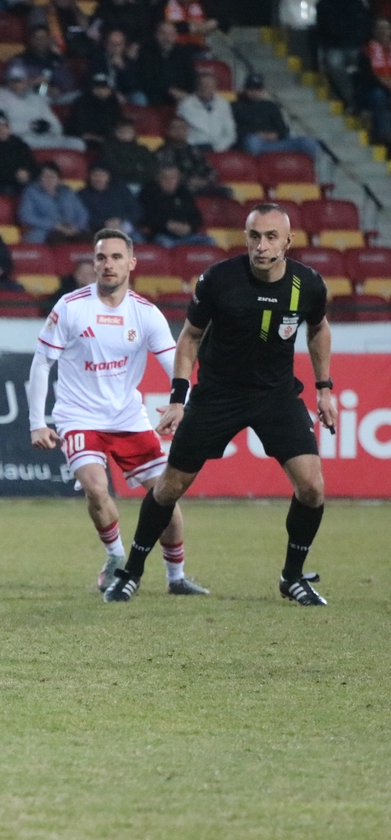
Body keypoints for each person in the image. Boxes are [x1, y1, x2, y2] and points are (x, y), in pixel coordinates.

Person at [102, 204, 336, 606]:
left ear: (288, 241)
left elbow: (318, 329)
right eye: (254, 236)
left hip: (276, 396)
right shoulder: (219, 279)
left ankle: (292, 577)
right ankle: (131, 573)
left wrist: (324, 388)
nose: (261, 246)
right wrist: (178, 398)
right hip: (217, 396)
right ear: (245, 237)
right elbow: (190, 337)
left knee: (312, 488)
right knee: (169, 487)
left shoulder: (308, 284)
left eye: (271, 237)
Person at [28, 228, 209, 595]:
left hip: (128, 418)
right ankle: (116, 558)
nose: (108, 264)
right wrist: (37, 422)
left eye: (116, 257)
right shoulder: (70, 307)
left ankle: (176, 578)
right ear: (93, 264)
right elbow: (42, 363)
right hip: (78, 416)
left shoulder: (146, 314)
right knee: (96, 488)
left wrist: (183, 402)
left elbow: (175, 363)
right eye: (101, 257)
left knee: (165, 497)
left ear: (131, 263)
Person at [0, 64, 85, 150]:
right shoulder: (0, 97)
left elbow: (57, 128)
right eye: (15, 81)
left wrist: (47, 127)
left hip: (45, 139)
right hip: (20, 141)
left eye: (22, 80)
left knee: (77, 143)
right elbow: (2, 131)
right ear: (7, 82)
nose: (19, 84)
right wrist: (31, 127)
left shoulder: (37, 98)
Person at [233, 73, 322, 160]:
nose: (254, 92)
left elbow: (283, 129)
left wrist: (275, 135)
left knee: (309, 142)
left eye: (257, 89)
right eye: (251, 88)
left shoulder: (270, 105)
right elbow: (234, 131)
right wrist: (259, 135)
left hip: (275, 143)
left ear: (262, 90)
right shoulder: (236, 106)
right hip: (253, 142)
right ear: (245, 89)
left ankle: (270, 152)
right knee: (252, 142)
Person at [138, 163, 213, 248]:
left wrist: (189, 227)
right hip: (162, 236)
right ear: (158, 178)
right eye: (165, 177)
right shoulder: (148, 192)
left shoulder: (184, 193)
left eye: (173, 177)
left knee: (209, 241)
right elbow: (146, 217)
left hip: (186, 235)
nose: (169, 181)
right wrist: (167, 225)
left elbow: (197, 217)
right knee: (164, 244)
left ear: (178, 179)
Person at [156, 113, 229, 197]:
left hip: (202, 186)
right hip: (181, 190)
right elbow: (166, 177)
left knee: (227, 191)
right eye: (175, 128)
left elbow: (211, 171)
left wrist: (202, 181)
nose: (179, 131)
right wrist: (189, 181)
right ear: (168, 131)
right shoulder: (162, 152)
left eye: (182, 128)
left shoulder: (195, 151)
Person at [19, 161, 91, 244]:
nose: (49, 179)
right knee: (57, 239)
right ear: (39, 178)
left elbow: (82, 213)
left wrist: (76, 227)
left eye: (53, 176)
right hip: (46, 230)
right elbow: (26, 216)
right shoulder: (31, 192)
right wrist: (54, 225)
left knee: (90, 239)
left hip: (72, 229)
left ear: (58, 179)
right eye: (45, 176)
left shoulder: (68, 192)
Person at [9, 25, 79, 104]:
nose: (41, 41)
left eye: (44, 37)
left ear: (49, 40)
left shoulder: (57, 60)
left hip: (59, 97)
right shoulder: (20, 61)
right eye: (37, 38)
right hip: (31, 98)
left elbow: (69, 83)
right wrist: (44, 89)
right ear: (31, 40)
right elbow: (15, 86)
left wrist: (58, 89)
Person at [137, 19, 198, 107]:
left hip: (181, 96)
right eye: (163, 33)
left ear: (176, 36)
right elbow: (147, 80)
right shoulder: (146, 53)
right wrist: (169, 90)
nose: (167, 38)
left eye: (171, 34)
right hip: (155, 96)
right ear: (156, 35)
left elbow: (190, 77)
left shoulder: (182, 53)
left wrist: (185, 92)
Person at [177, 69, 235, 152]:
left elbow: (230, 133)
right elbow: (180, 132)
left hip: (219, 148)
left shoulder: (223, 103)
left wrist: (218, 148)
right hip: (195, 148)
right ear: (197, 87)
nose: (206, 89)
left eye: (210, 86)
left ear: (215, 87)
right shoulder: (185, 105)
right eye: (203, 86)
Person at [79, 161, 139, 237]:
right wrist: (104, 223)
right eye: (95, 175)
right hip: (98, 232)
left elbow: (136, 210)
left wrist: (121, 220)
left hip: (125, 228)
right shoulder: (83, 195)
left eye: (102, 175)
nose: (98, 178)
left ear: (109, 176)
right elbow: (83, 217)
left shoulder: (120, 189)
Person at [356, 17, 391, 147]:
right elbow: (367, 78)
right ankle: (384, 137)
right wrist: (386, 84)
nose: (383, 31)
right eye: (380, 29)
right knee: (378, 96)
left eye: (386, 28)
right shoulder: (366, 51)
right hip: (371, 90)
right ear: (374, 31)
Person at [66, 72, 122, 149]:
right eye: (102, 88)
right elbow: (83, 131)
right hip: (86, 140)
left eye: (107, 88)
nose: (106, 91)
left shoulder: (113, 102)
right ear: (93, 88)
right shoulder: (82, 102)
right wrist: (99, 138)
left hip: (108, 139)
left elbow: (118, 123)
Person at [91, 28, 146, 106]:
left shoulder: (130, 61)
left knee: (139, 97)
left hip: (125, 96)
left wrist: (122, 68)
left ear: (124, 46)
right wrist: (113, 93)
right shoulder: (99, 58)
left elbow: (134, 86)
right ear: (106, 44)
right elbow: (96, 80)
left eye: (118, 44)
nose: (115, 47)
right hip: (104, 94)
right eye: (111, 43)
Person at [98, 117, 157, 189]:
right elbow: (115, 167)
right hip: (118, 183)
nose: (127, 134)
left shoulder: (142, 149)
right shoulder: (109, 148)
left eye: (129, 131)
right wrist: (137, 167)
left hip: (142, 182)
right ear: (117, 133)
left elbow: (151, 166)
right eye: (124, 131)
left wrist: (137, 171)